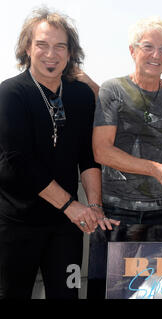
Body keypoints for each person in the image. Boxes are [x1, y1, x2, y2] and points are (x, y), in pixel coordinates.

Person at [0, 7, 117, 299]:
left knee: (68, 294)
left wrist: (95, 206)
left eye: (59, 46)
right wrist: (72, 207)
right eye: (42, 44)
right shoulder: (10, 94)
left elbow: (87, 156)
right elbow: (19, 163)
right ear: (28, 48)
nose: (50, 54)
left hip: (66, 229)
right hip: (16, 227)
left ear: (70, 53)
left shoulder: (80, 95)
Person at [88, 16, 162, 298]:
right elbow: (101, 150)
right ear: (132, 51)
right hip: (116, 215)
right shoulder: (112, 90)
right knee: (106, 292)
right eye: (148, 47)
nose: (157, 55)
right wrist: (155, 169)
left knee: (155, 294)